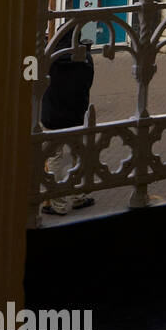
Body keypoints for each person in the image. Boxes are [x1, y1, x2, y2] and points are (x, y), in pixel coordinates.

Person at [41, 36, 96, 217]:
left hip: (54, 116)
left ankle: (58, 204)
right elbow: (88, 83)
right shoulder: (86, 59)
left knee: (55, 156)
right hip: (76, 115)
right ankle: (79, 196)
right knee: (77, 154)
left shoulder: (53, 58)